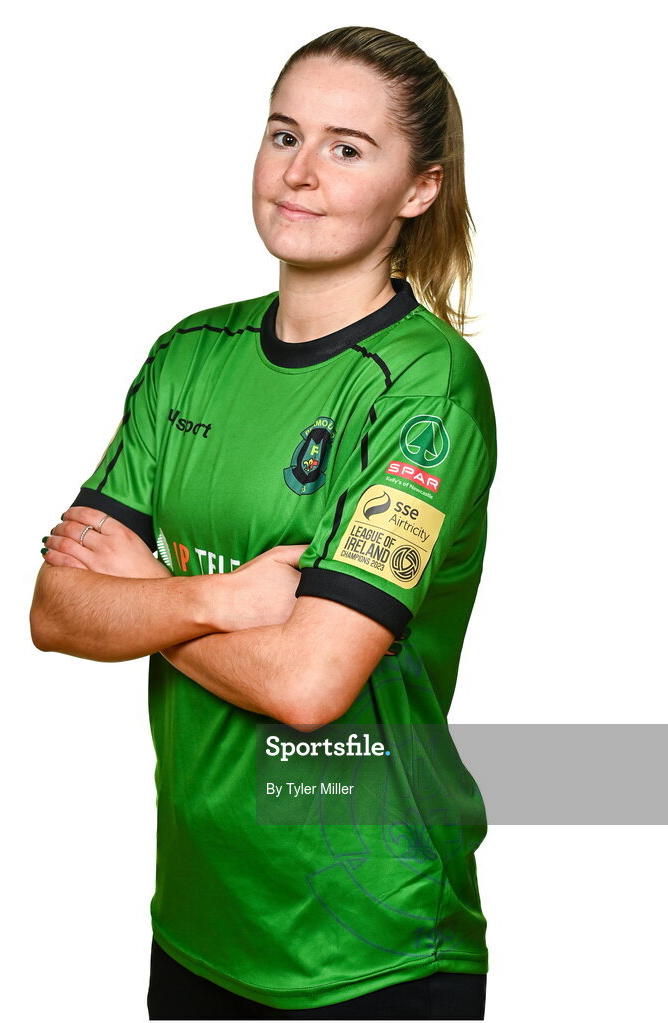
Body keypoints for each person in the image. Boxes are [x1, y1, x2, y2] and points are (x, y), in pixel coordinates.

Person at [30, 25, 496, 1022]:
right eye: (283, 135)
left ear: (417, 189)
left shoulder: (424, 391)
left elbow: (308, 683)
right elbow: (59, 610)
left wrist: (146, 593)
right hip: (198, 926)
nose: (298, 173)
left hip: (367, 946)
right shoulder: (187, 356)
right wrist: (222, 599)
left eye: (345, 147)